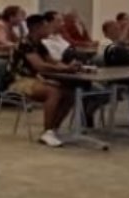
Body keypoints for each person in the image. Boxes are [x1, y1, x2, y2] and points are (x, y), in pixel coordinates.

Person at [8, 13, 89, 148]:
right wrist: (65, 69)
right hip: (20, 80)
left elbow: (53, 62)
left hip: (36, 79)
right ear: (37, 28)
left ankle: (53, 129)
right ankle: (47, 132)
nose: (49, 30)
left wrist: (71, 67)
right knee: (53, 92)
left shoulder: (40, 44)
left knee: (69, 92)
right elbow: (39, 66)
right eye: (46, 27)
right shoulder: (25, 43)